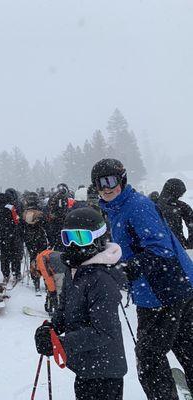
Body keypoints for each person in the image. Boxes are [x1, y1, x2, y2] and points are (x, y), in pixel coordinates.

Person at [94, 158, 193, 400]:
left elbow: (161, 249)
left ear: (123, 179)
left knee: (149, 357)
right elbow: (132, 245)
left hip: (163, 292)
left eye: (111, 181)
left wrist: (126, 270)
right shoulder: (117, 208)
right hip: (175, 288)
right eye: (99, 184)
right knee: (185, 347)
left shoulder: (136, 206)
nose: (105, 188)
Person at [34, 207, 127, 400]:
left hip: (104, 371)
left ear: (98, 238)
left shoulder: (101, 279)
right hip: (86, 365)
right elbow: (65, 307)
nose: (74, 244)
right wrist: (52, 328)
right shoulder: (74, 268)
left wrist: (61, 344)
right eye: (68, 238)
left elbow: (104, 332)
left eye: (81, 238)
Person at [21, 192, 49, 294]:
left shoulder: (24, 214)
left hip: (29, 239)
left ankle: (36, 282)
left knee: (33, 258)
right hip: (40, 238)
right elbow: (46, 225)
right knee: (44, 259)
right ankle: (46, 282)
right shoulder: (40, 213)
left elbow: (21, 227)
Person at [0, 192, 23, 285]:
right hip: (12, 235)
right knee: (15, 255)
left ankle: (5, 274)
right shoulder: (10, 207)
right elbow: (17, 220)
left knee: (4, 256)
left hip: (2, 236)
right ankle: (16, 273)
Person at [158, 178, 193, 249]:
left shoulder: (153, 203)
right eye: (180, 194)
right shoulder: (181, 206)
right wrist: (189, 245)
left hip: (158, 246)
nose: (180, 197)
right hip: (178, 245)